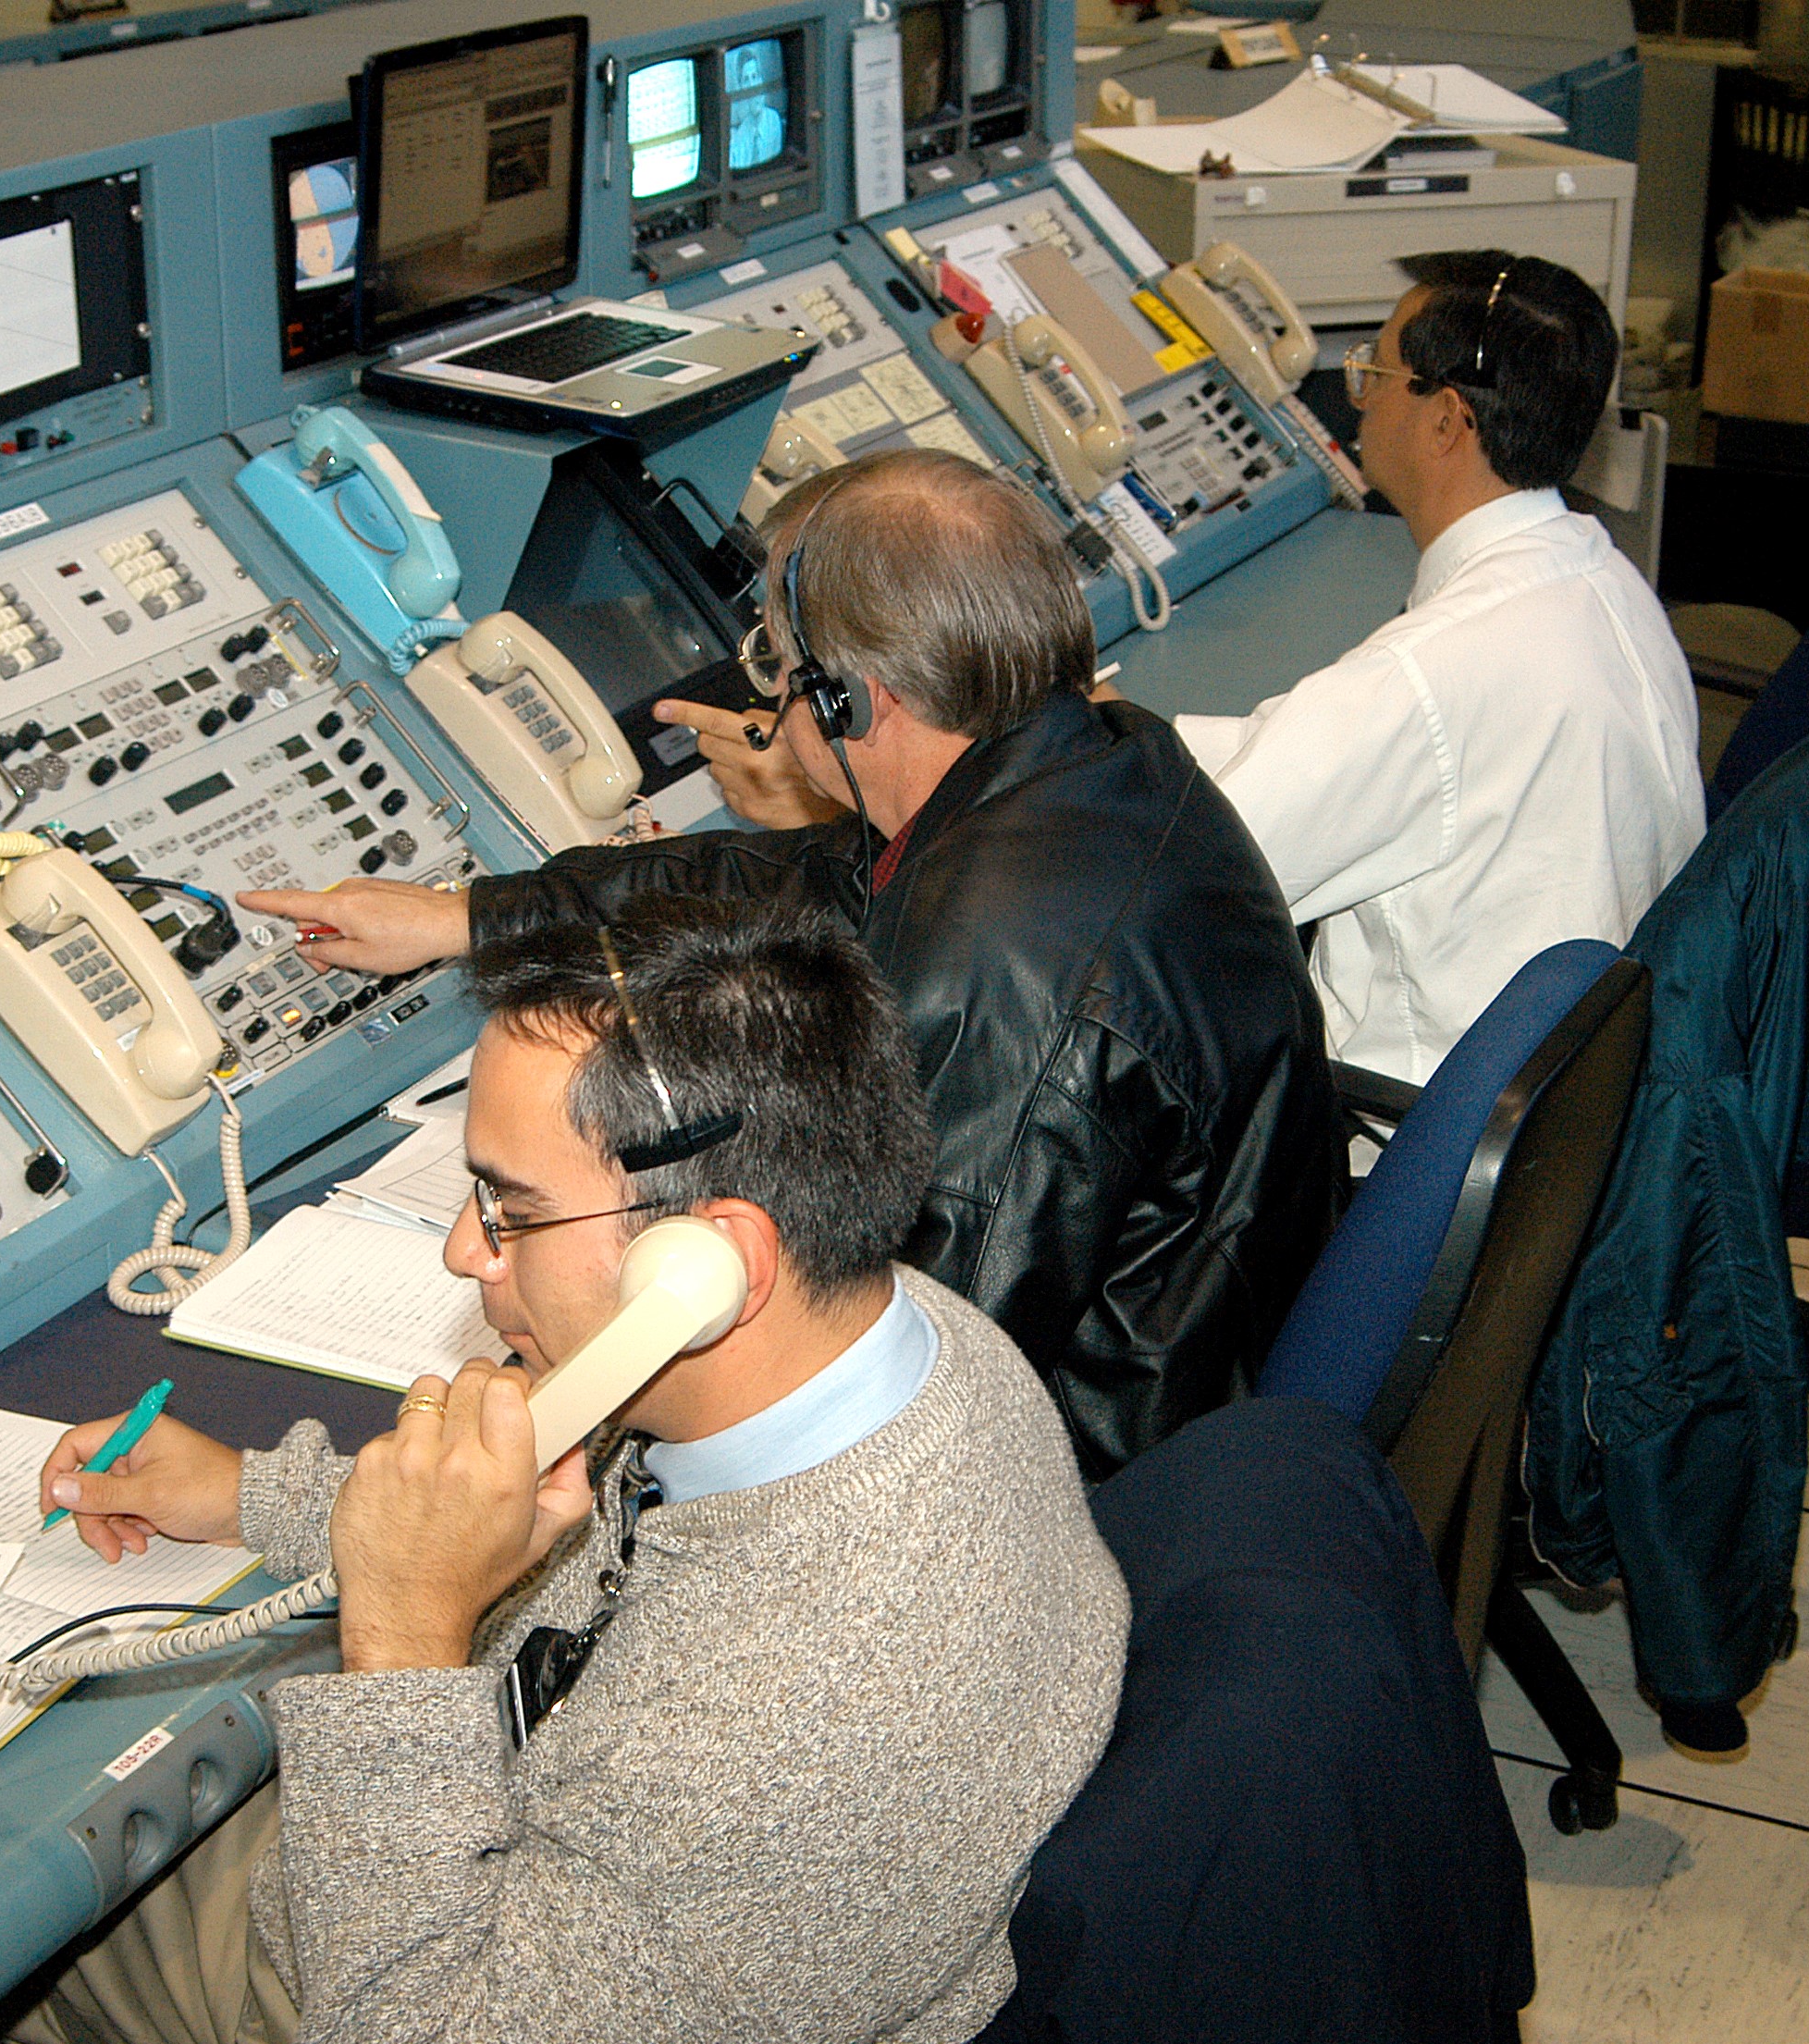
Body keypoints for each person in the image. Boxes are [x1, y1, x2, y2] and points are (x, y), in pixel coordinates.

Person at [0, 898, 1130, 2044]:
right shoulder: (892, 1338)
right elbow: (575, 1547)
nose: (466, 1255)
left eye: (512, 1209)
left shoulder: (794, 1718)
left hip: (428, 2032)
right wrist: (259, 1496)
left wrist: (406, 1634)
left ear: (712, 1265)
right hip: (503, 1908)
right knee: (19, 1940)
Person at [240, 449, 1339, 1476]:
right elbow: (794, 875)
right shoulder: (1085, 767)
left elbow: (888, 1378)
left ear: (850, 696)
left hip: (1097, 1467)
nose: (760, 691)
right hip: (1204, 1362)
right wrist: (468, 917)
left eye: (772, 657)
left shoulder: (991, 970)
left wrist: (502, 1452)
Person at [1171, 250, 1706, 1085]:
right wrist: (1129, 729)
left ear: (1447, 420)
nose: (1360, 397)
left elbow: (1188, 860)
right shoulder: (1602, 579)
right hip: (1575, 1112)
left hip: (1401, 1147)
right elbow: (1326, 758)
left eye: (1375, 372)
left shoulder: (1429, 675)